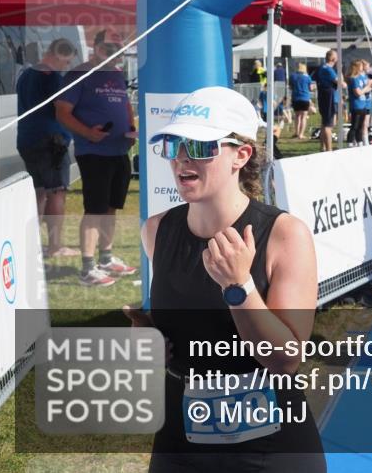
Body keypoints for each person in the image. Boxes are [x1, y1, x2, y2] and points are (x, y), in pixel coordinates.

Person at [128, 86, 323, 472]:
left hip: (270, 446)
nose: (182, 157)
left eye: (201, 146)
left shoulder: (284, 234)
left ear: (241, 155)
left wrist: (240, 288)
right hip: (180, 440)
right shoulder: (156, 230)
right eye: (174, 144)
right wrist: (146, 339)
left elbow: (286, 360)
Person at [55, 28, 138, 286]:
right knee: (95, 209)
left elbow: (125, 106)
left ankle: (106, 258)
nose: (116, 54)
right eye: (110, 48)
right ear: (96, 47)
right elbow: (62, 112)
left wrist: (132, 128)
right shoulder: (79, 74)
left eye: (119, 49)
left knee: (111, 208)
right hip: (94, 152)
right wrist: (87, 133)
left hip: (119, 149)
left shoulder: (115, 75)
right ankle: (87, 268)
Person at [16, 38, 79, 258]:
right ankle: (55, 246)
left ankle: (32, 243)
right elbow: (62, 109)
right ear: (58, 54)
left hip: (27, 139)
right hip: (50, 142)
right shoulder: (52, 78)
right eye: (67, 61)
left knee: (40, 192)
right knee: (57, 192)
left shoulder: (26, 75)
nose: (67, 66)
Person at [313, 50, 339, 152]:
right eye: (336, 56)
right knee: (328, 124)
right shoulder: (328, 69)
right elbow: (340, 82)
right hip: (329, 97)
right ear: (333, 58)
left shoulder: (321, 68)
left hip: (324, 96)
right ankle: (329, 148)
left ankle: (323, 147)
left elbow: (313, 80)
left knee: (325, 123)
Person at [346, 60, 372, 146]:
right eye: (361, 66)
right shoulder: (353, 79)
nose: (362, 67)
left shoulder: (360, 78)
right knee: (354, 126)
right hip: (356, 105)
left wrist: (369, 87)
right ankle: (350, 143)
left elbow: (365, 90)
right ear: (357, 67)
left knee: (360, 127)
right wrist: (366, 88)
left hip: (363, 104)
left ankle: (360, 142)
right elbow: (358, 93)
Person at [289, 62, 313, 140]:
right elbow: (311, 88)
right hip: (305, 98)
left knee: (297, 116)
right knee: (303, 117)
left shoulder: (292, 76)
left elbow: (290, 87)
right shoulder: (307, 77)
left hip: (295, 98)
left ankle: (296, 132)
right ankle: (301, 134)